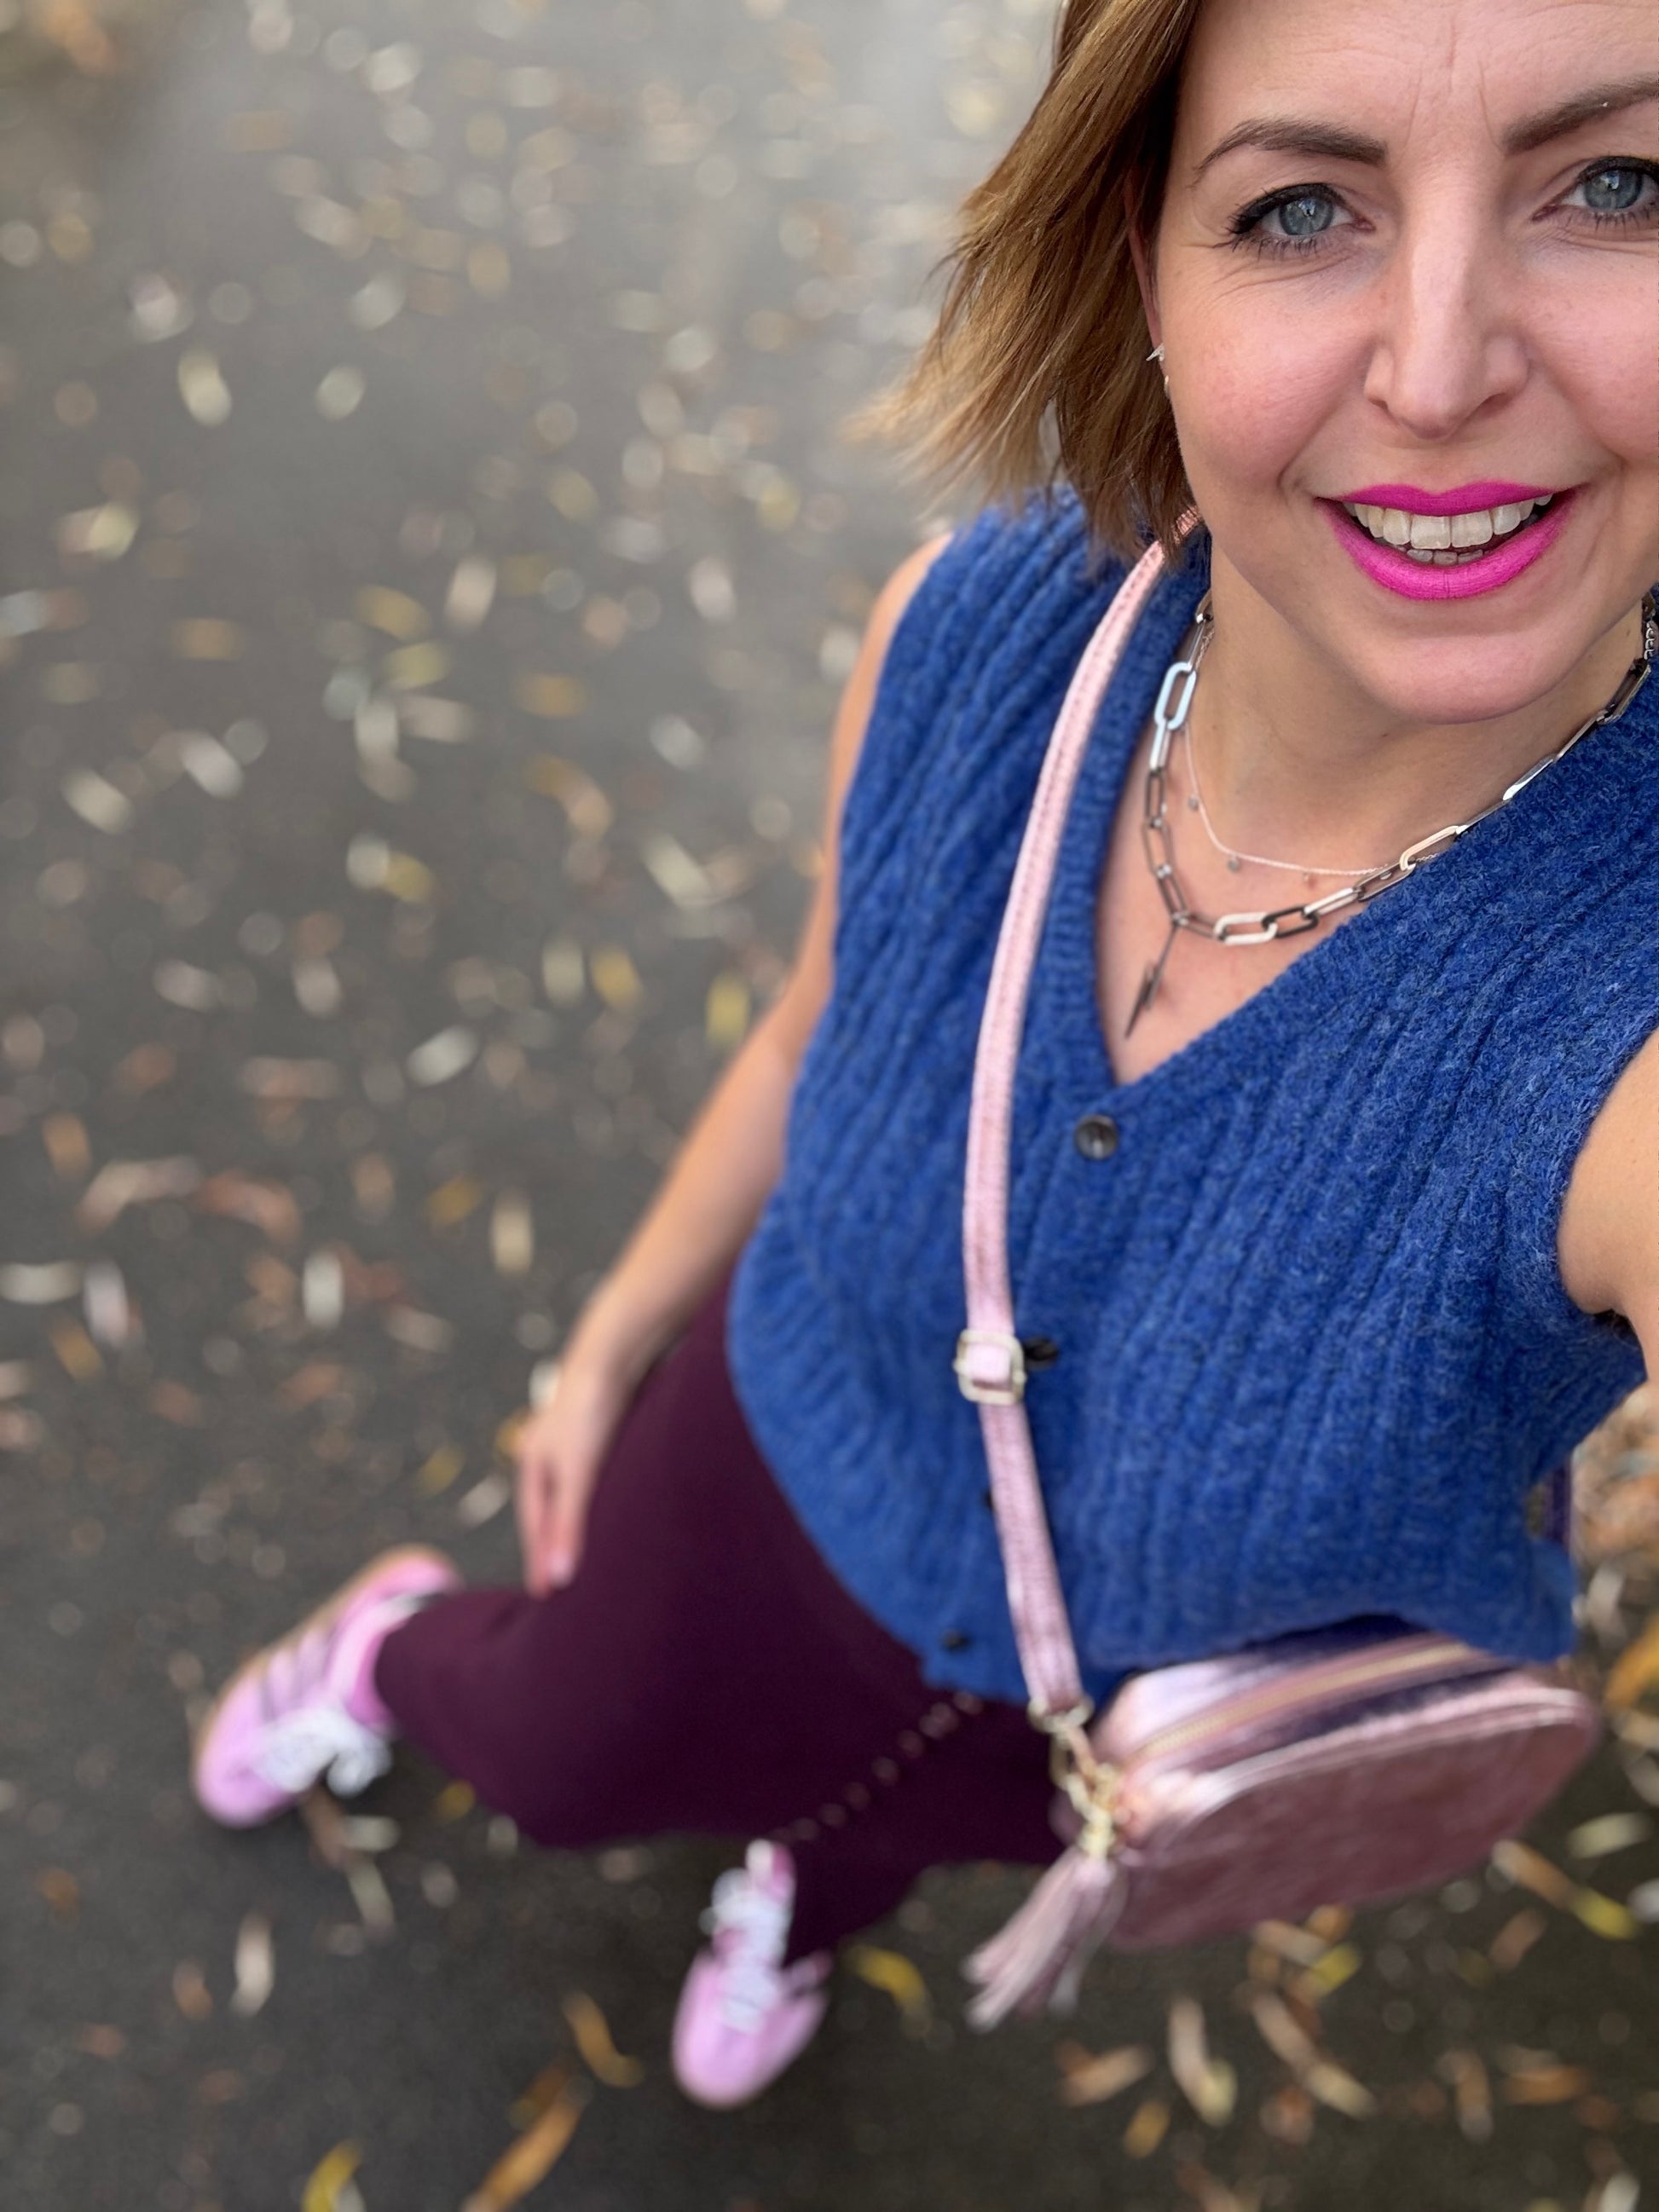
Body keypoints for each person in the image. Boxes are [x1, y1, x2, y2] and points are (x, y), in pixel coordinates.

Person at [191, 0, 1659, 2110]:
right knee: (563, 1751)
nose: (1437, 372)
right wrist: (613, 1328)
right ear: (1141, 259)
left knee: (884, 1836)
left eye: (1615, 184)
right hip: (759, 1481)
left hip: (1107, 1708)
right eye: (1300, 208)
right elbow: (824, 1021)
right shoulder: (977, 633)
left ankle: (800, 1894)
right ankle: (394, 1651)